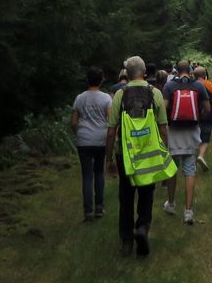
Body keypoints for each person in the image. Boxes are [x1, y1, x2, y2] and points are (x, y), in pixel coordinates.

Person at [105, 55, 168, 257]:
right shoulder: (155, 93)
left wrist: (108, 159)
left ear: (127, 74)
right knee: (147, 194)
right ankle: (142, 227)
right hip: (149, 154)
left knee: (125, 196)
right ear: (145, 73)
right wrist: (165, 152)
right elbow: (163, 128)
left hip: (125, 154)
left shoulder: (119, 95)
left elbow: (111, 130)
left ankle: (126, 241)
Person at [162, 59, 210, 224]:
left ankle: (171, 203)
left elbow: (163, 108)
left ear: (176, 70)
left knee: (172, 169)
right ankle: (188, 211)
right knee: (190, 170)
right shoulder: (198, 86)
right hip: (191, 132)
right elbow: (207, 109)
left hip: (173, 132)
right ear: (190, 71)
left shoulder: (169, 87)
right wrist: (196, 118)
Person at [71, 66, 112, 221]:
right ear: (101, 80)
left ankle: (88, 211)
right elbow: (110, 120)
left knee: (87, 176)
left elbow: (74, 122)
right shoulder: (106, 98)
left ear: (87, 79)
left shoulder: (79, 98)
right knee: (99, 173)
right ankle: (99, 207)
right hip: (101, 139)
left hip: (84, 140)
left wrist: (79, 134)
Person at [193, 66, 212, 171]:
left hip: (194, 116)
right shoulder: (210, 84)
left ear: (194, 75)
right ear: (205, 75)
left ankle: (192, 162)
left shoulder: (191, 85)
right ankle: (201, 156)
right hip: (207, 116)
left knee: (195, 138)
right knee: (205, 137)